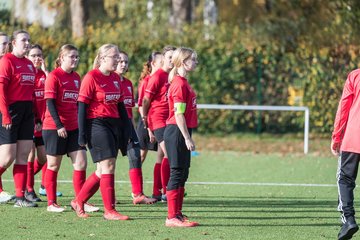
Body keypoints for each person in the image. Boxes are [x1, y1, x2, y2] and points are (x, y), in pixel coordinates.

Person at [72, 44, 130, 220]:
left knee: (100, 170)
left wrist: (127, 130)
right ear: (103, 58)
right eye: (114, 57)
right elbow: (81, 106)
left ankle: (78, 201)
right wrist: (82, 134)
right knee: (108, 166)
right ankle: (109, 211)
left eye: (118, 57)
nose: (118, 60)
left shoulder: (115, 78)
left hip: (113, 124)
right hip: (96, 124)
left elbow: (120, 106)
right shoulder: (91, 77)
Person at [42, 44, 98, 213]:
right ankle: (51, 203)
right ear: (62, 58)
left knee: (81, 163)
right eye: (71, 56)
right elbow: (50, 102)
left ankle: (80, 200)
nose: (75, 59)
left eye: (77, 57)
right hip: (54, 127)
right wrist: (59, 125)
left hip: (74, 127)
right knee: (53, 166)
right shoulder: (53, 76)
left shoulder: (77, 77)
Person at [0, 30, 37, 207]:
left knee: (23, 155)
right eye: (23, 40)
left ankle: (20, 198)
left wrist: (35, 115)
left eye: (29, 40)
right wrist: (5, 114)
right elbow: (1, 91)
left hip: (27, 112)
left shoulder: (30, 64)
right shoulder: (6, 61)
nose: (27, 43)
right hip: (11, 111)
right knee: (7, 157)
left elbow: (32, 94)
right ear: (14, 43)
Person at [163, 47, 199, 227]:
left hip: (182, 131)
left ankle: (177, 213)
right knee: (176, 173)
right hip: (176, 132)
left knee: (183, 173)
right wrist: (186, 137)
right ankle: (171, 217)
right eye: (193, 59)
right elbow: (178, 114)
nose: (196, 63)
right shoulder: (179, 83)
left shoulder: (183, 81)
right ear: (183, 62)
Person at [115, 50, 156, 205]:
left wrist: (132, 130)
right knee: (109, 163)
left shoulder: (128, 84)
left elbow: (129, 111)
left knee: (135, 157)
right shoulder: (106, 81)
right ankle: (110, 196)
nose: (123, 64)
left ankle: (137, 194)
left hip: (127, 127)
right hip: (111, 127)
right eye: (120, 61)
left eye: (126, 62)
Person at [142, 46, 176, 202]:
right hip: (158, 120)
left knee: (162, 155)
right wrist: (146, 121)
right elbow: (146, 100)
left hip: (170, 119)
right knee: (169, 153)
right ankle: (167, 190)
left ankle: (157, 191)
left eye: (174, 57)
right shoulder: (157, 77)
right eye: (169, 57)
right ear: (163, 59)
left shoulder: (173, 76)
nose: (172, 60)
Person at [331, 68, 360, 239]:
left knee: (345, 179)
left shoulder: (355, 76)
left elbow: (344, 109)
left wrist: (336, 137)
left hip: (354, 137)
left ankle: (348, 220)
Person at [24, 44, 47, 202]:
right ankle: (29, 189)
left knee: (44, 158)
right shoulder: (26, 76)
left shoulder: (44, 75)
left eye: (39, 55)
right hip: (30, 120)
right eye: (33, 55)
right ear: (27, 57)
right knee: (30, 155)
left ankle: (25, 180)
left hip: (45, 123)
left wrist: (45, 70)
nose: (37, 58)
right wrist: (35, 118)